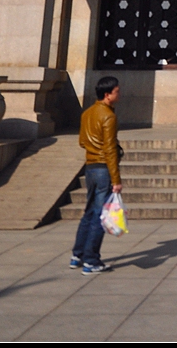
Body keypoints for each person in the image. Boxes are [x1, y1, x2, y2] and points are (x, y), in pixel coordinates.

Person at [70, 75, 122, 274]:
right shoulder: (108, 116)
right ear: (107, 95)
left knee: (90, 212)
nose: (119, 94)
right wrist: (116, 179)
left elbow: (82, 141)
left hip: (90, 167)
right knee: (101, 216)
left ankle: (78, 255)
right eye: (117, 91)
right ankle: (91, 259)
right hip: (103, 168)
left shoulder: (87, 113)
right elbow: (110, 149)